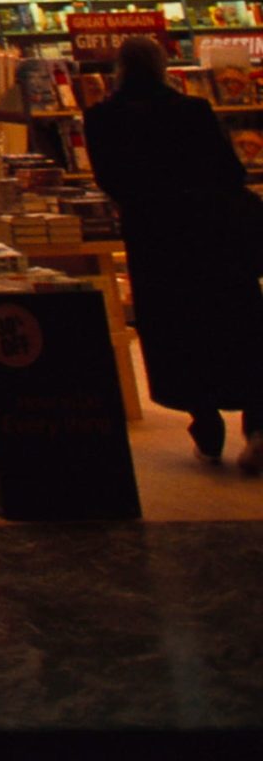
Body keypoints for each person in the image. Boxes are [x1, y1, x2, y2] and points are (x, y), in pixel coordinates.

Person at [85, 32, 263, 471]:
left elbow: (110, 179)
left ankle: (203, 420)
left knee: (176, 332)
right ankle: (256, 423)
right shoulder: (192, 109)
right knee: (238, 327)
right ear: (162, 66)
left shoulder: (103, 118)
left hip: (154, 241)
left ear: (119, 70)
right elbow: (230, 171)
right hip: (214, 237)